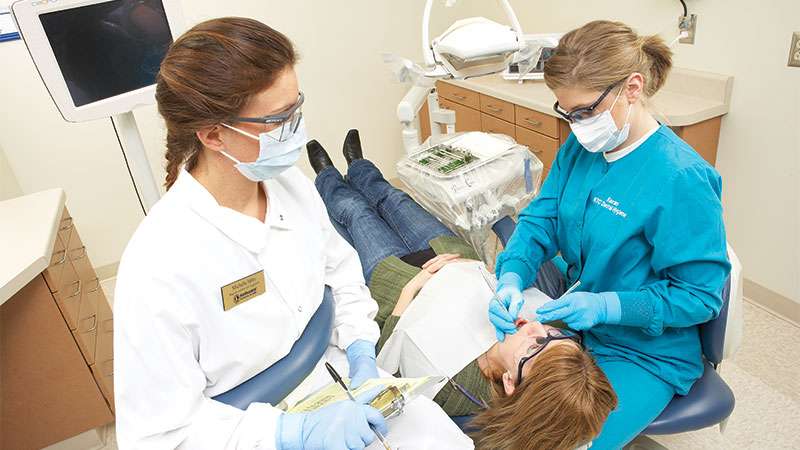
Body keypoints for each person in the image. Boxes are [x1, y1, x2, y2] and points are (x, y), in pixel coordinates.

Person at [113, 17, 470, 450]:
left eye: (296, 108)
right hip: (251, 432)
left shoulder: (289, 186)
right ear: (213, 135)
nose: (296, 129)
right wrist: (289, 433)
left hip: (342, 380)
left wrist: (360, 350)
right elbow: (157, 436)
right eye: (280, 119)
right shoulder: (158, 265)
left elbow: (342, 273)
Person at [488, 21, 732, 449]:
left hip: (644, 351)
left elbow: (700, 297)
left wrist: (608, 305)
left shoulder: (682, 179)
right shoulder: (582, 148)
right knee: (500, 408)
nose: (576, 125)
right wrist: (511, 275)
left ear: (632, 88)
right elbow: (541, 221)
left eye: (584, 112)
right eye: (567, 112)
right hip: (577, 319)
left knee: (562, 441)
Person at [306, 132, 617, 450]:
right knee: (393, 198)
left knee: (354, 212)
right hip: (448, 253)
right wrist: (490, 271)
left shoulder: (455, 391)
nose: (538, 328)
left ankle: (325, 175)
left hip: (397, 278)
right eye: (555, 337)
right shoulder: (558, 324)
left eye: (534, 347)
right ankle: (359, 166)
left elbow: (385, 363)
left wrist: (406, 296)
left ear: (510, 382)